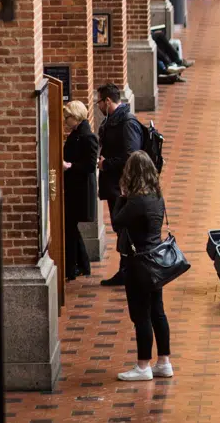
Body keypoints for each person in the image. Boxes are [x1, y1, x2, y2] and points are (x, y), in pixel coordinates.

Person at [113, 151, 175, 382]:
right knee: (157, 311)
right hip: (155, 261)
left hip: (137, 262)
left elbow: (116, 221)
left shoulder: (136, 201)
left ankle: (142, 366)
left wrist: (121, 196)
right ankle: (164, 363)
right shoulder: (157, 196)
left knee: (141, 315)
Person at [96, 83, 142, 287]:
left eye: (98, 101)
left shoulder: (127, 122)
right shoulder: (113, 121)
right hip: (114, 185)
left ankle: (129, 271)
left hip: (121, 186)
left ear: (107, 101)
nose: (97, 105)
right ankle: (126, 270)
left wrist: (106, 163)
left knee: (125, 229)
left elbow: (131, 155)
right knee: (121, 229)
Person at [62, 100, 99, 281]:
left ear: (75, 117)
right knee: (70, 227)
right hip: (74, 188)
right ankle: (81, 264)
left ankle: (76, 265)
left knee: (70, 226)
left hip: (80, 191)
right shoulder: (77, 133)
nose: (65, 121)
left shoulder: (87, 136)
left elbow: (90, 165)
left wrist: (69, 166)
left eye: (67, 117)